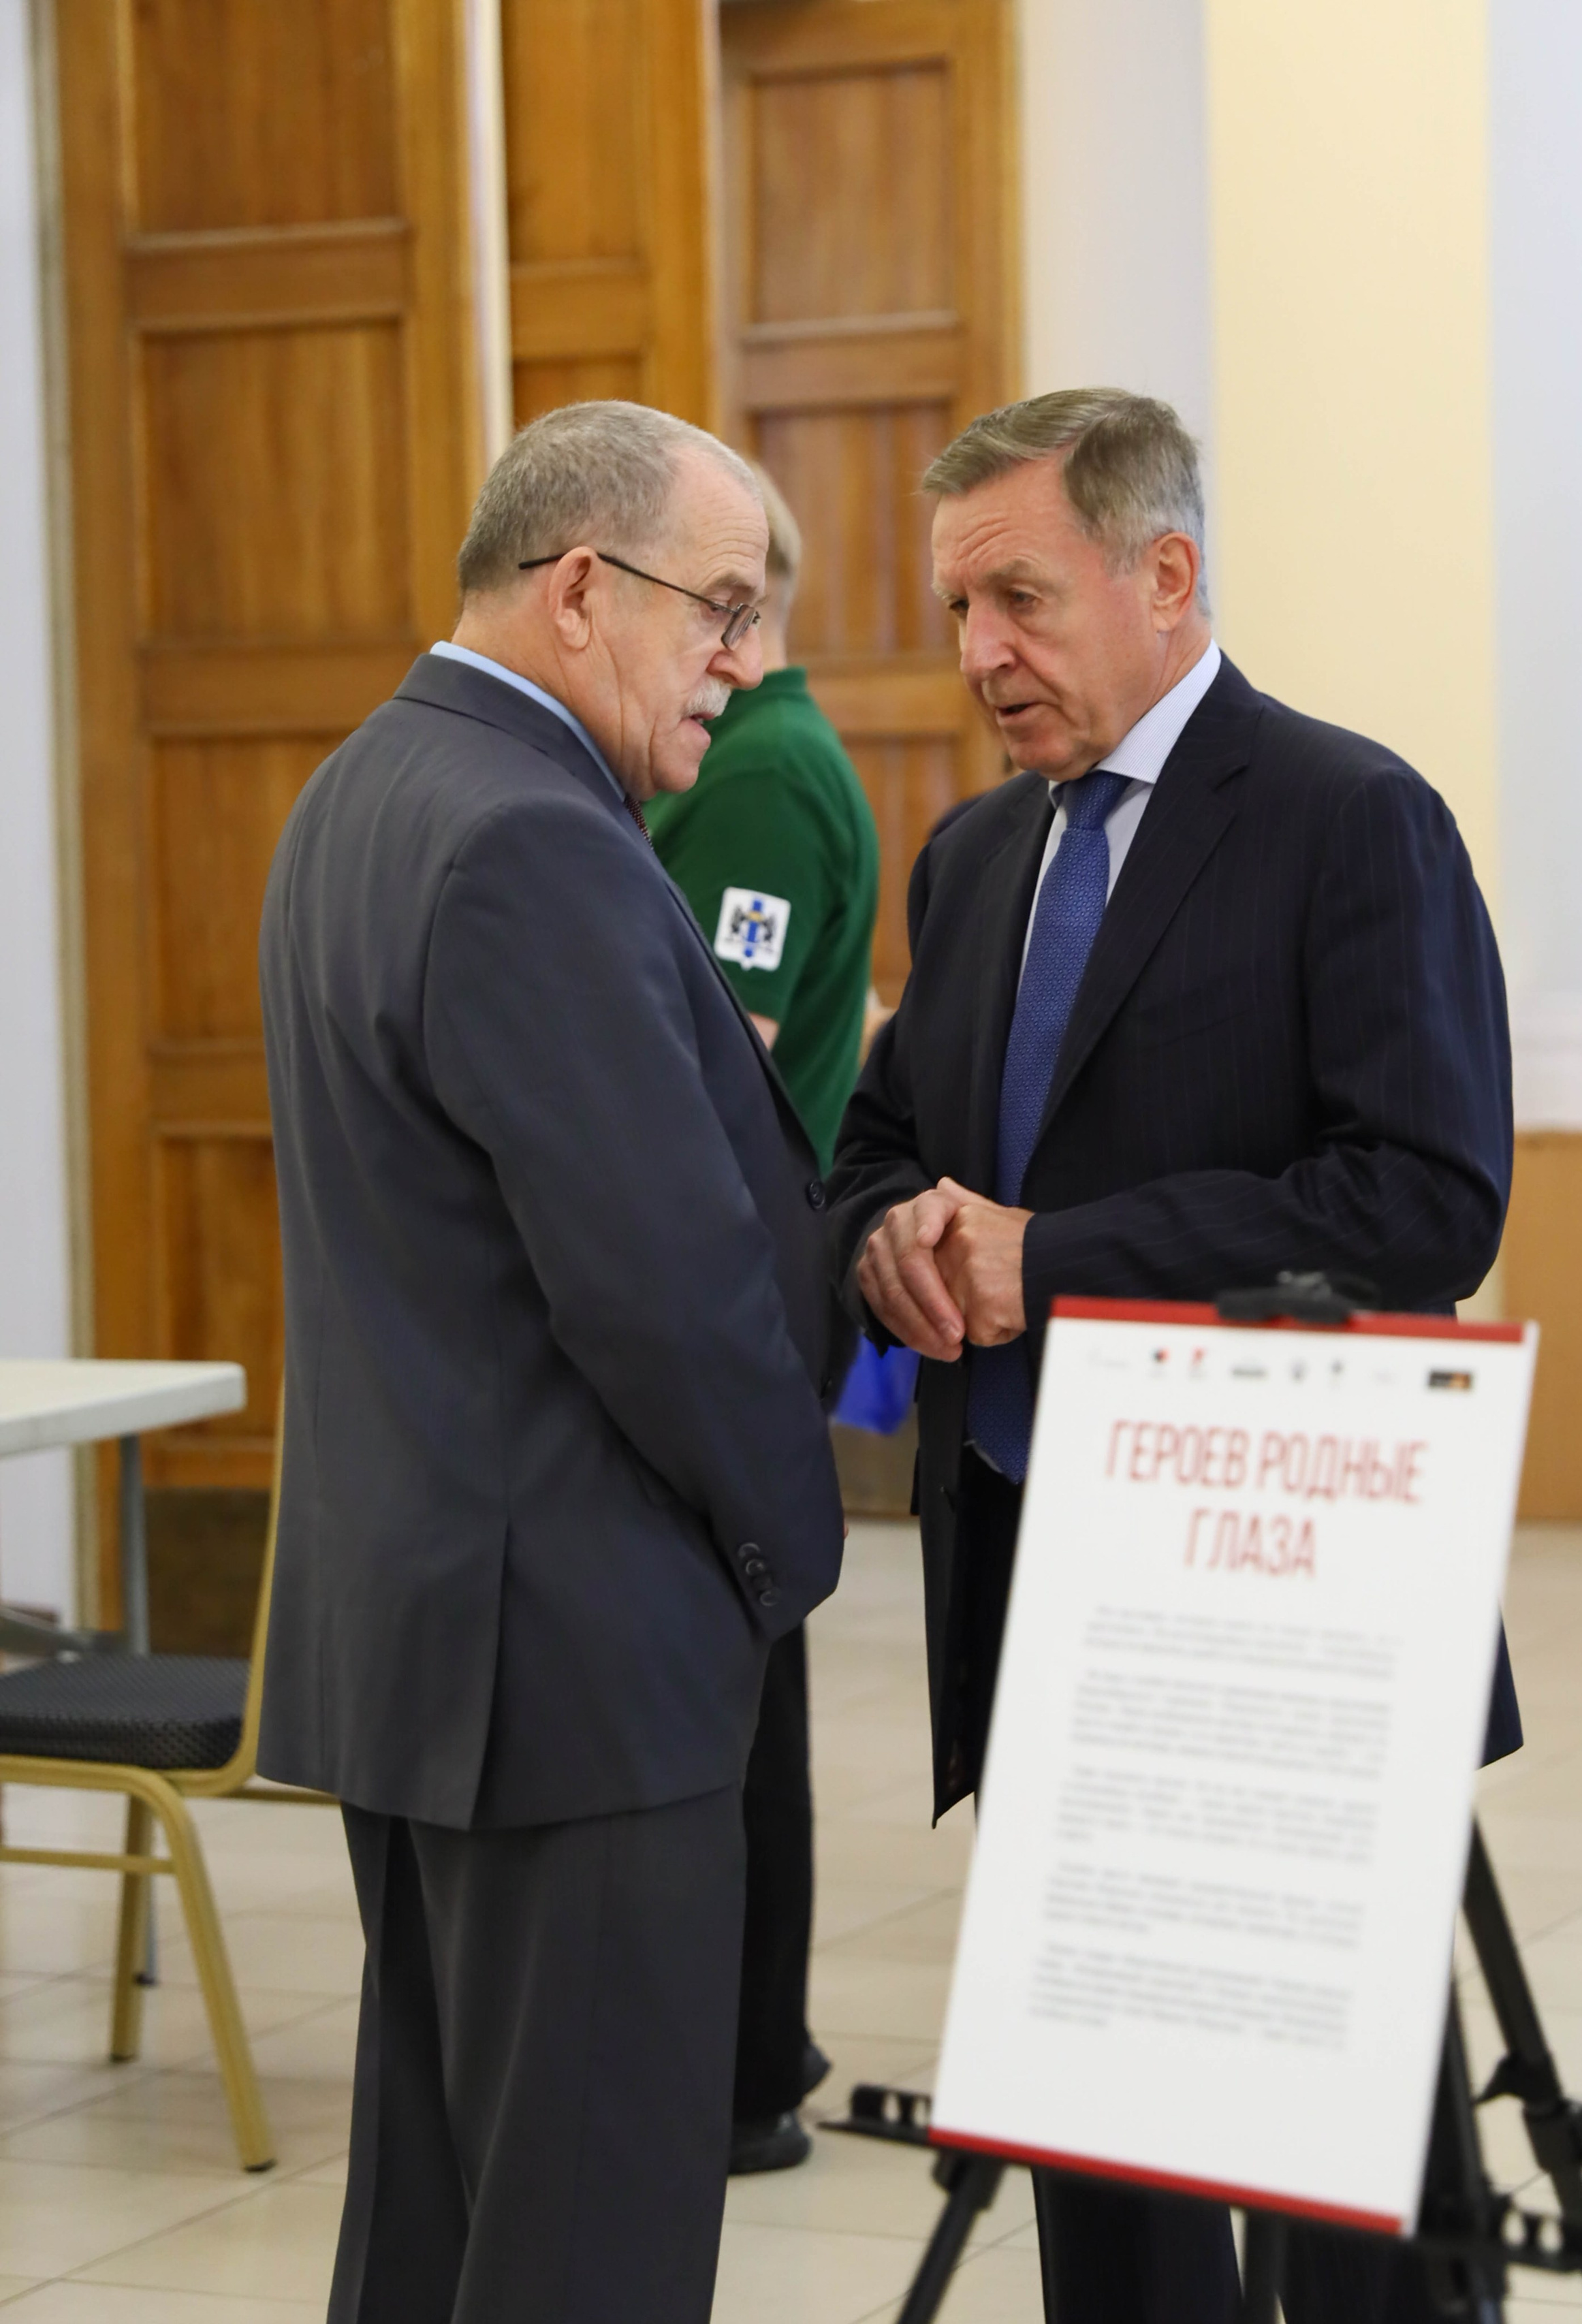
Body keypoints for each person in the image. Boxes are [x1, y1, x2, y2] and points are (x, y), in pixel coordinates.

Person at [827, 387, 1519, 2324]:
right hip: (1039, 1565)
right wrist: (891, 1234)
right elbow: (882, 1142)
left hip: (1281, 1585)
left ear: (1168, 574)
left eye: (1023, 600)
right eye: (962, 607)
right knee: (1108, 2165)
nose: (981, 654)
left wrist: (1062, 1258)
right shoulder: (974, 860)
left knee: (1351, 2179)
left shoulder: (1347, 816)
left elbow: (1422, 1198)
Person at [258, 400, 846, 2324]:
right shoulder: (537, 838)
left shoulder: (361, 789)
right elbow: (663, 1290)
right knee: (584, 2240)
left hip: (434, 1648)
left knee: (437, 2229)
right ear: (585, 588)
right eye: (723, 608)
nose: (745, 663)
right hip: (578, 1675)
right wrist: (791, 1546)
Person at [646, 460, 878, 2173]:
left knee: (740, 1710)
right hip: (748, 1261)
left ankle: (740, 2063)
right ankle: (747, 2049)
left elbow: (704, 1042)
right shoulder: (774, 758)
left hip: (732, 1262)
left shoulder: (754, 774)